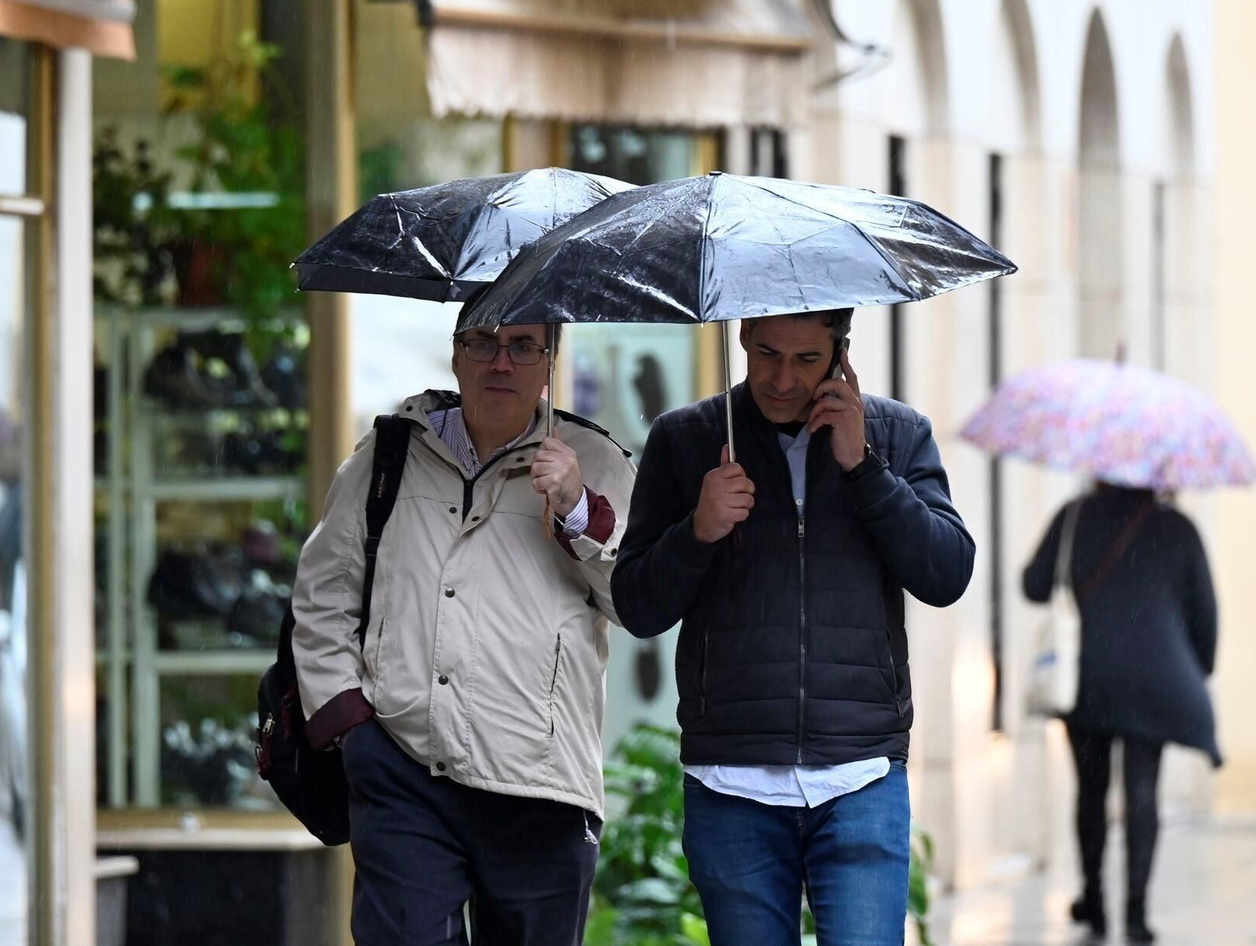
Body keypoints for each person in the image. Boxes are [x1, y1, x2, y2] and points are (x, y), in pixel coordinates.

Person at [611, 309, 974, 946]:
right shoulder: (687, 438)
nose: (781, 378)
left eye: (806, 360)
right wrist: (697, 531)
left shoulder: (897, 433)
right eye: (768, 354)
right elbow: (637, 607)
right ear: (744, 334)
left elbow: (946, 575)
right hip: (731, 779)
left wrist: (864, 469)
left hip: (860, 772)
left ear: (840, 353)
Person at [291, 322, 636, 946]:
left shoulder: (599, 461)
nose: (501, 363)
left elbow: (634, 600)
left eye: (524, 346)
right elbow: (323, 594)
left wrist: (575, 505)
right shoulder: (390, 455)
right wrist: (349, 727)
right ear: (456, 353)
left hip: (540, 782)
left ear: (550, 360)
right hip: (403, 768)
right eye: (483, 342)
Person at [1023, 483, 1219, 944]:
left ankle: (1093, 899)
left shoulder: (1074, 516)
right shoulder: (1179, 528)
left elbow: (1033, 585)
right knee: (1142, 790)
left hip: (1089, 677)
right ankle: (1136, 913)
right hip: (1156, 678)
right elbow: (1205, 614)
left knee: (1091, 791)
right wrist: (1196, 666)